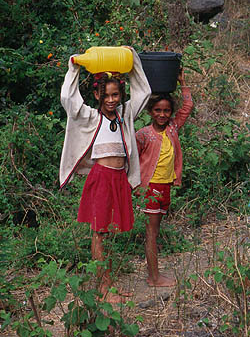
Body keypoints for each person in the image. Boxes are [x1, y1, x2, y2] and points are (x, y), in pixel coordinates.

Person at [59, 47, 151, 302]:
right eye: (106, 95)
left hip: (118, 179)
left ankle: (109, 283)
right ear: (97, 94)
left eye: (116, 94)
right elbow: (69, 100)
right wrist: (74, 68)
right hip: (101, 178)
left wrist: (133, 62)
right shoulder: (90, 117)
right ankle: (102, 287)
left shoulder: (125, 115)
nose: (111, 100)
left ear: (121, 95)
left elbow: (145, 92)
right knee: (99, 232)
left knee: (109, 232)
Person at [136, 69, 193, 287]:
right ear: (150, 111)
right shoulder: (143, 134)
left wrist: (182, 83)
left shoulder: (172, 129)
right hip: (151, 188)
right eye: (158, 110)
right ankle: (153, 277)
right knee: (151, 232)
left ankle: (154, 274)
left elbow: (187, 107)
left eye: (167, 110)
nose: (162, 114)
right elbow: (132, 157)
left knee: (155, 230)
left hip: (166, 186)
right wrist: (135, 185)